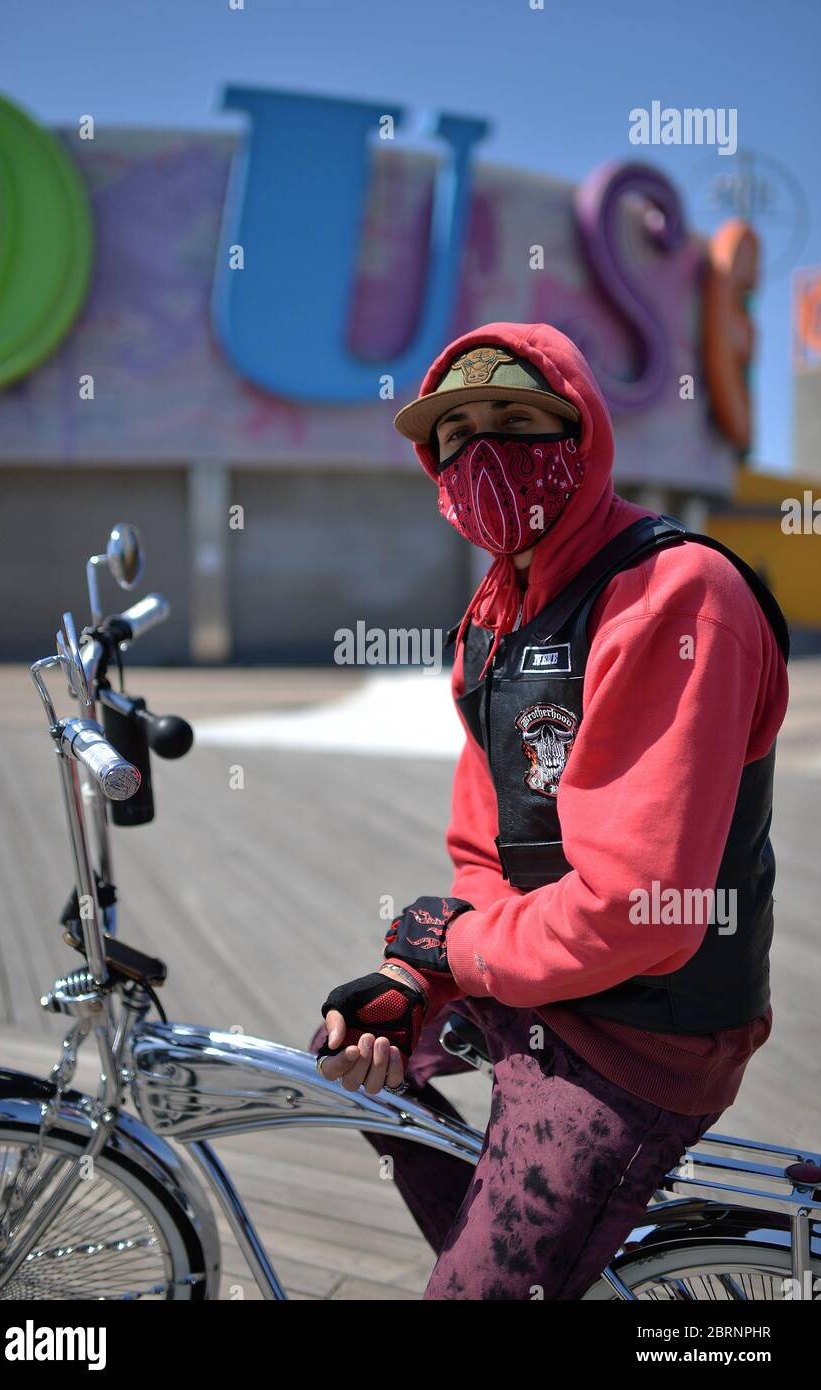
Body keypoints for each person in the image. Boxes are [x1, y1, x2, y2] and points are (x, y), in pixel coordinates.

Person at [308, 322, 790, 1300]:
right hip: (542, 983)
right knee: (352, 1047)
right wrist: (421, 976)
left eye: (519, 421)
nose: (482, 450)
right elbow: (480, 849)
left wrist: (464, 955)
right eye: (456, 433)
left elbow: (634, 906)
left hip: (641, 1032)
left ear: (584, 433)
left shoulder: (671, 595)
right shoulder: (493, 618)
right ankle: (520, 1259)